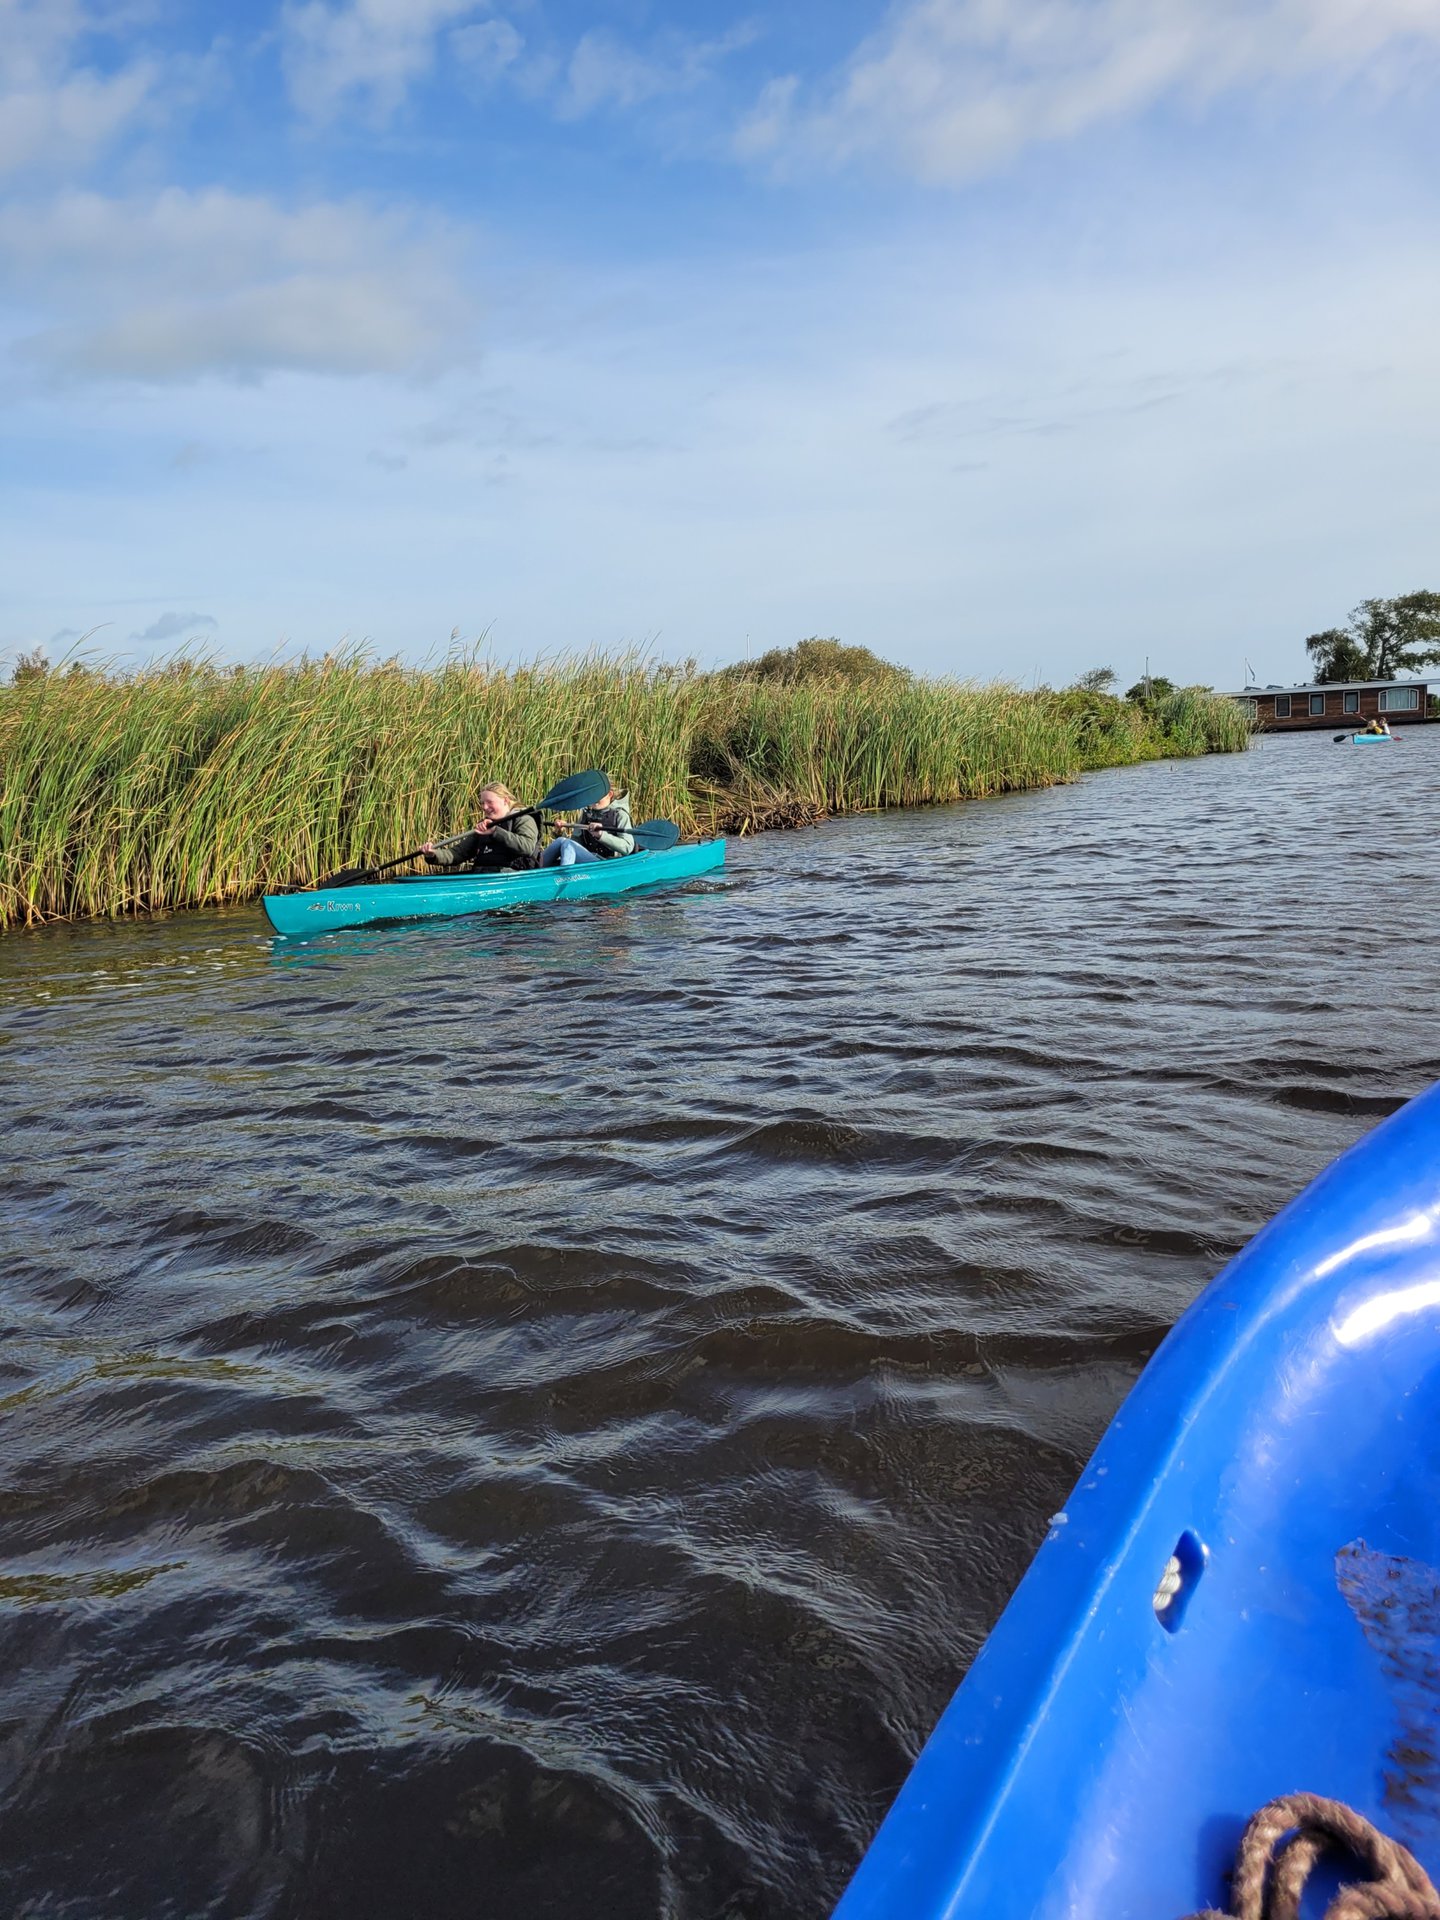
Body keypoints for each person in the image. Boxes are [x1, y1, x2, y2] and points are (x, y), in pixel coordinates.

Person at [421, 782, 542, 873]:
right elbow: (458, 853)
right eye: (482, 803)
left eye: (489, 802)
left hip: (512, 876)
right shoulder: (484, 825)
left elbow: (527, 847)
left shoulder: (524, 819)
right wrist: (433, 854)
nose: (484, 807)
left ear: (505, 800)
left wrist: (495, 831)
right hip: (483, 875)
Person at [539, 782, 635, 867]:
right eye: (592, 795)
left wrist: (602, 835)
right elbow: (574, 844)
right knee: (561, 841)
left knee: (568, 843)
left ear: (610, 794)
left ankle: (564, 879)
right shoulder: (586, 814)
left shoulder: (620, 815)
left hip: (607, 864)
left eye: (598, 796)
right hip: (589, 859)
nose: (594, 799)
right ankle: (533, 868)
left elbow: (627, 847)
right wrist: (561, 832)